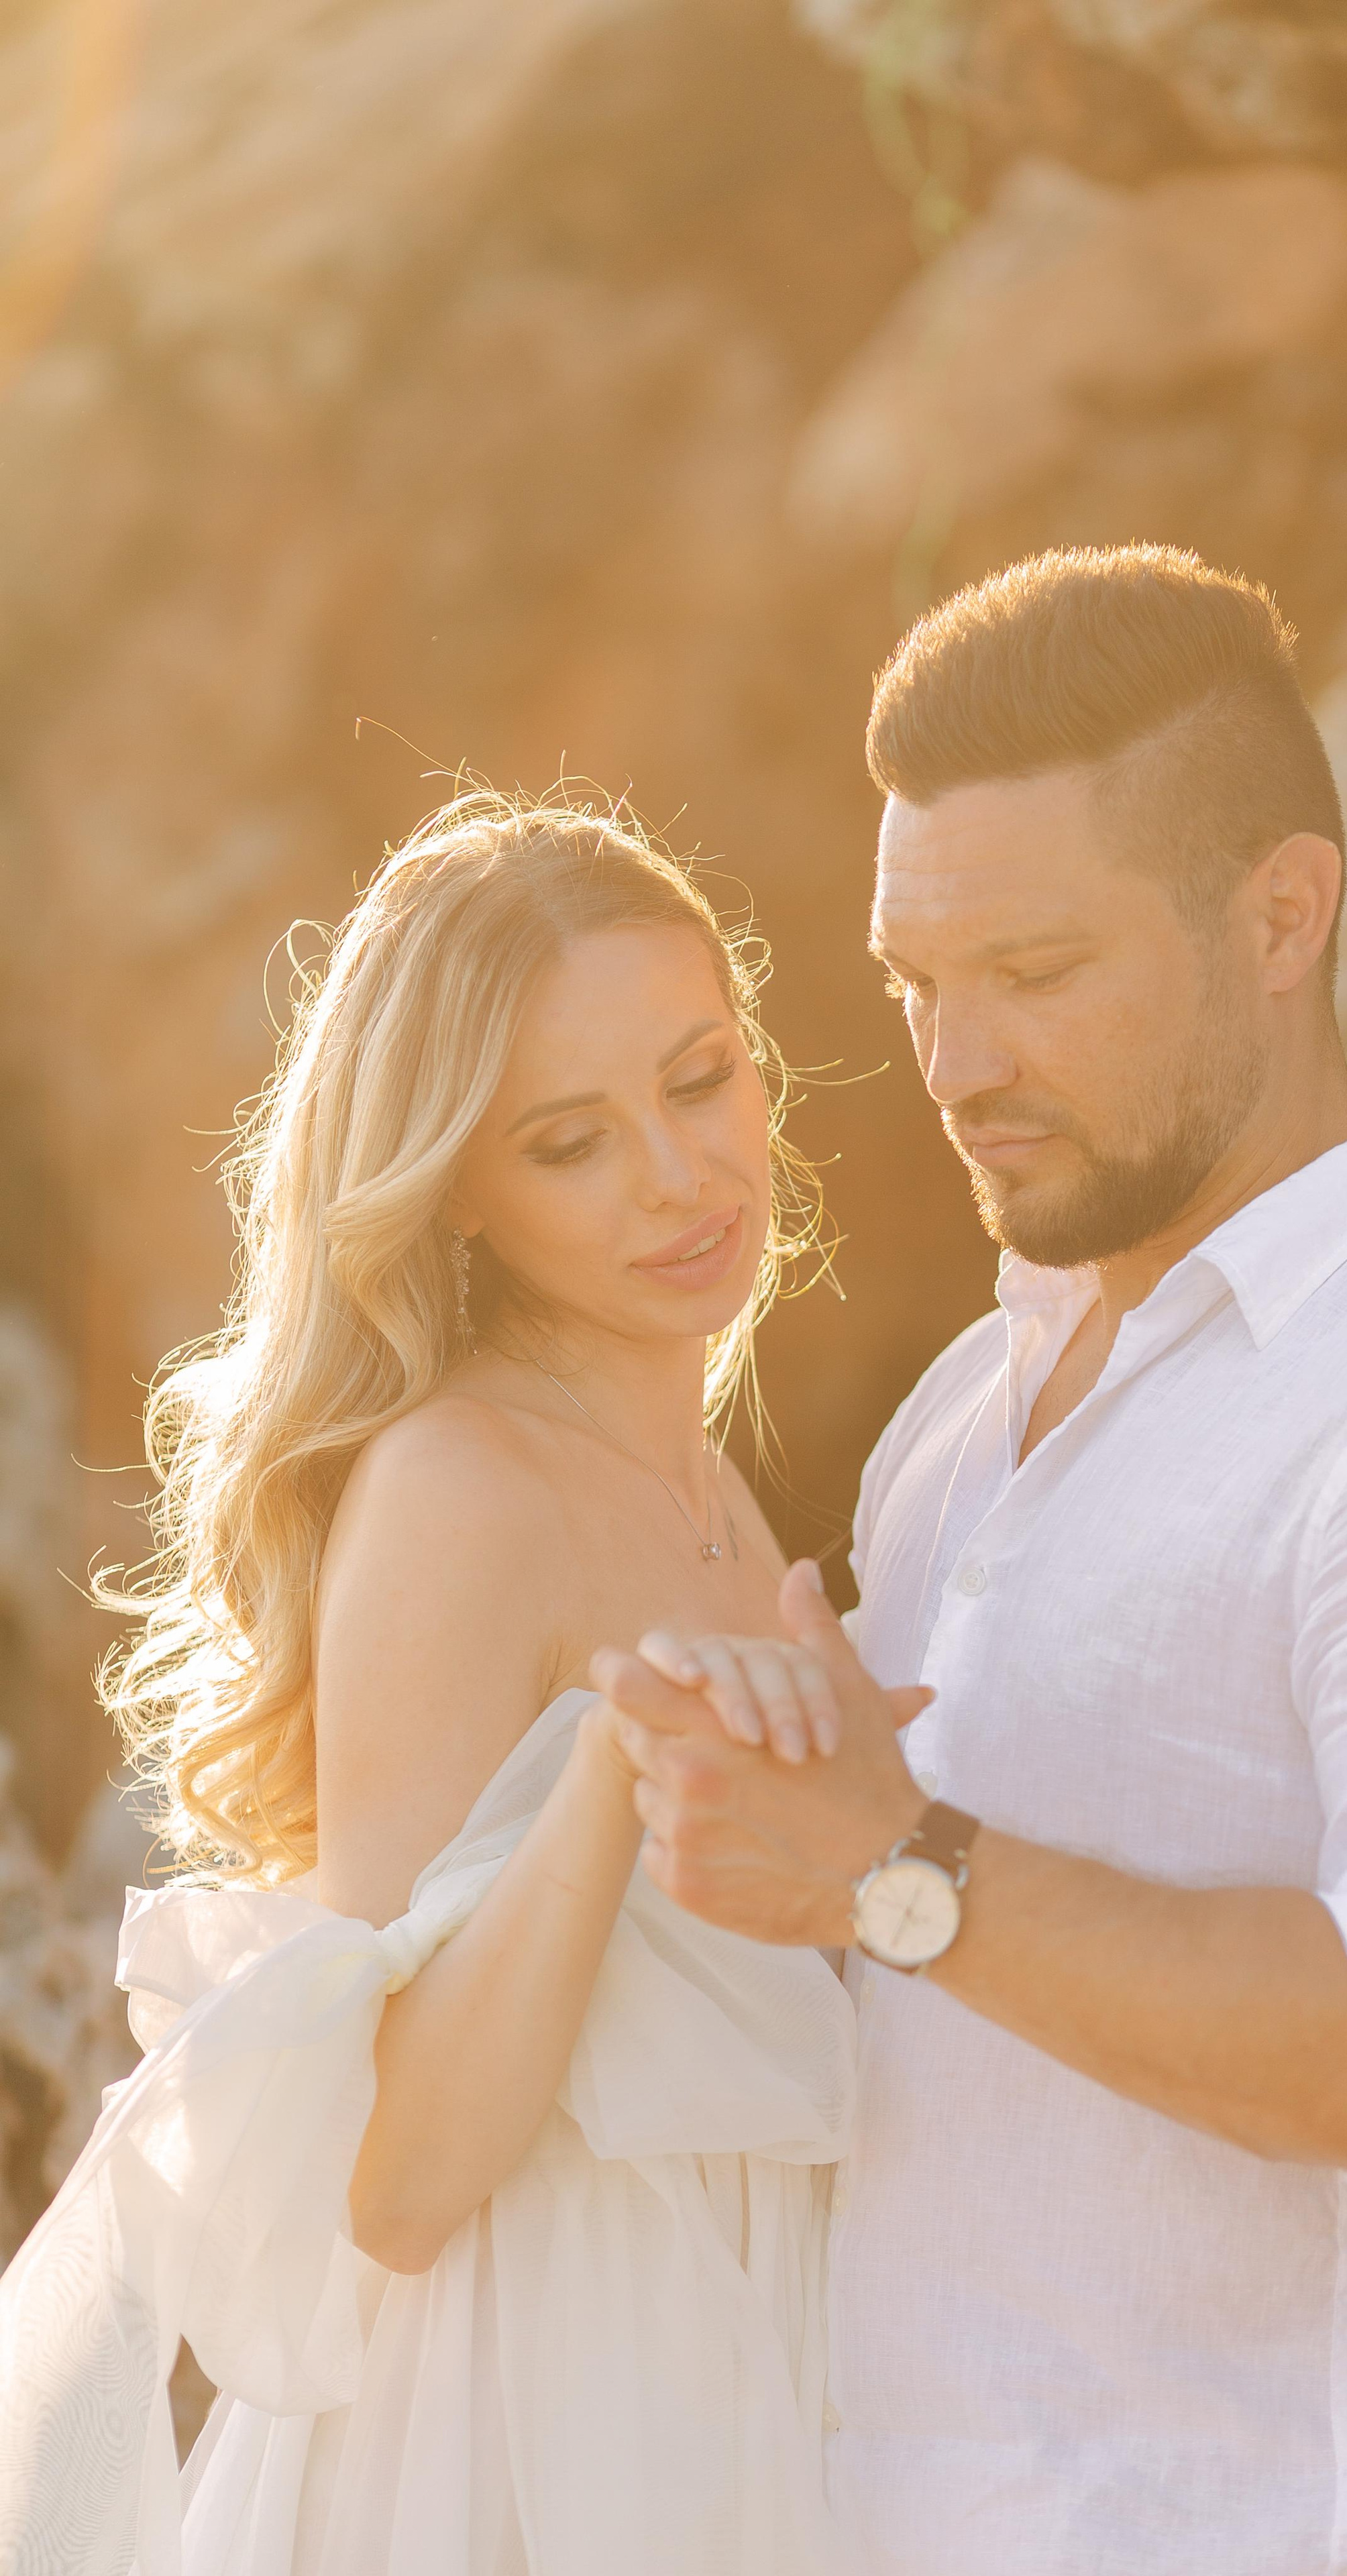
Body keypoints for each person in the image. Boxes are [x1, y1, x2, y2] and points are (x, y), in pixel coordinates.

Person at [599, 544, 1347, 2576]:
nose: (951, 1065)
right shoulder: (963, 1406)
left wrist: (895, 1869)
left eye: (1034, 975)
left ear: (1285, 914)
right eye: (915, 986)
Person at [0, 792, 906, 2575]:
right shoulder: (460, 1488)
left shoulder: (705, 1480)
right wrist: (612, 1782)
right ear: (464, 1201)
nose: (677, 1171)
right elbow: (399, 2185)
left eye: (700, 1075)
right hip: (532, 2424)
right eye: (569, 1141)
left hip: (756, 2363)